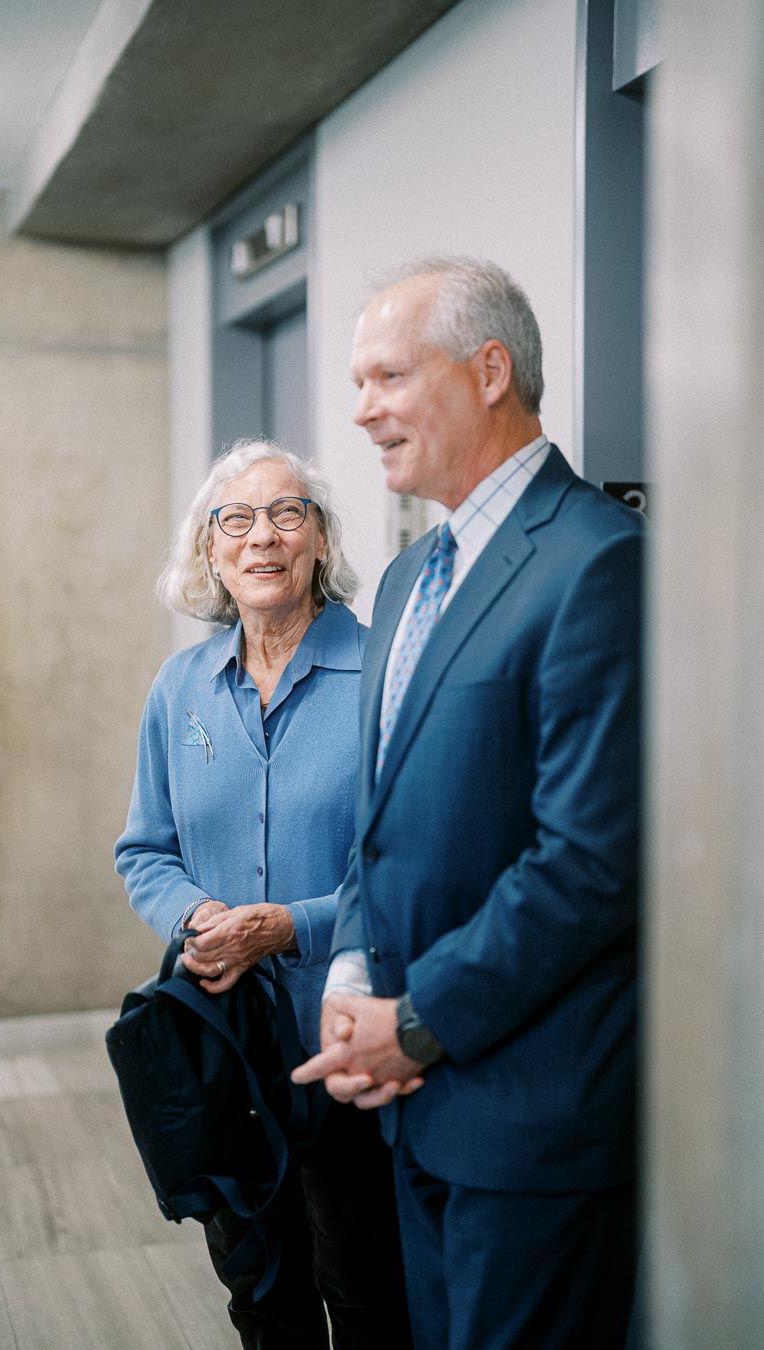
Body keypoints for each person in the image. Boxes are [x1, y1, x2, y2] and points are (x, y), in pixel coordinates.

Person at [292, 257, 644, 1348]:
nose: (361, 410)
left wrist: (421, 1022)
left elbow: (590, 863)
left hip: (530, 1119)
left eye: (388, 375)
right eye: (358, 382)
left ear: (491, 370)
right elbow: (380, 825)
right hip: (408, 1108)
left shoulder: (601, 563)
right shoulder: (404, 581)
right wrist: (352, 976)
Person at [114, 439, 411, 1350]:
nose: (262, 537)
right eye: (234, 520)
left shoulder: (383, 675)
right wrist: (197, 918)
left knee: (366, 1294)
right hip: (227, 1044)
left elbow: (403, 861)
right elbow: (145, 851)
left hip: (350, 1040)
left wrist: (293, 927)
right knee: (260, 1292)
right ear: (211, 551)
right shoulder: (181, 689)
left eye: (288, 513)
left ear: (320, 539)